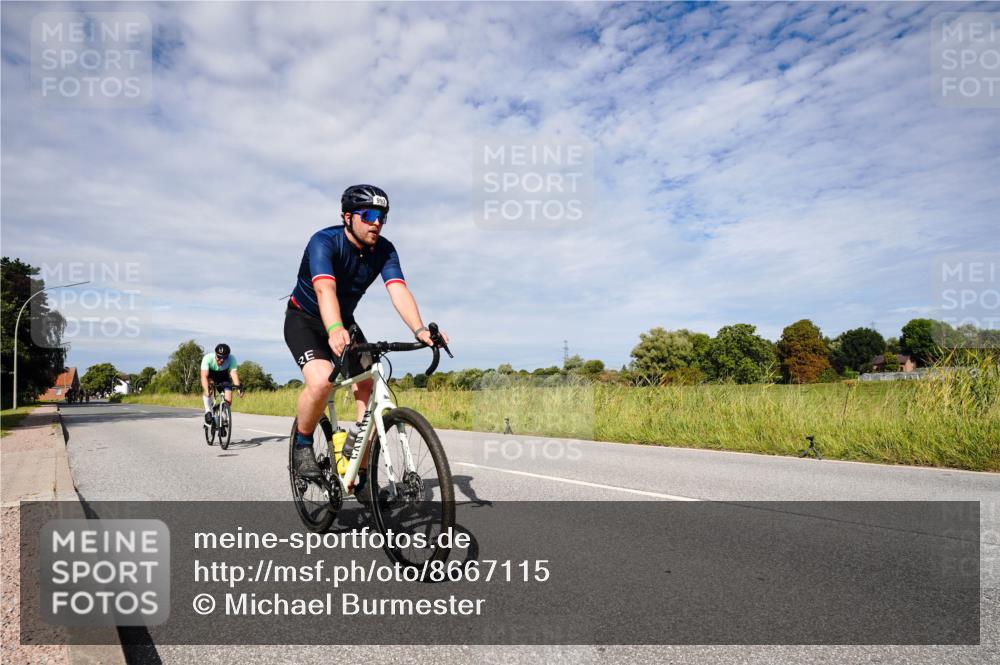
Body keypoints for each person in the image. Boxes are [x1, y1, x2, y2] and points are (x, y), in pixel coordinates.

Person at [284, 184, 448, 489]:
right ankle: (303, 445)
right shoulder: (324, 242)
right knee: (320, 382)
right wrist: (333, 330)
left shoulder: (384, 250)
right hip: (305, 319)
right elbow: (325, 289)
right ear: (347, 217)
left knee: (371, 384)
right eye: (369, 214)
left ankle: (356, 458)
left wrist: (421, 330)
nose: (377, 222)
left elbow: (398, 290)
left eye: (382, 216)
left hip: (344, 321)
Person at [200, 343, 243, 424]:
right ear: (215, 354)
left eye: (224, 358)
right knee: (208, 390)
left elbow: (233, 373)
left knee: (228, 400)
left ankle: (222, 416)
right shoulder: (208, 358)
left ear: (228, 356)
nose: (222, 360)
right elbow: (203, 376)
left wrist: (238, 387)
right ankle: (208, 411)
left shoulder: (231, 359)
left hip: (223, 377)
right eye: (219, 357)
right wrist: (206, 390)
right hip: (210, 376)